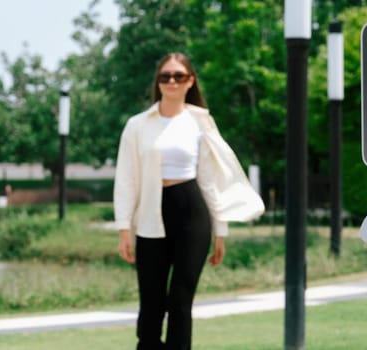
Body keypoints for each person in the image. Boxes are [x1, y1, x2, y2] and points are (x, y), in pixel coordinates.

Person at [113, 52, 264, 350]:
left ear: (189, 81)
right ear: (158, 82)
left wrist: (220, 230)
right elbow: (126, 179)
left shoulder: (199, 122)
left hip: (192, 214)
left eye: (178, 76)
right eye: (165, 76)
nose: (171, 81)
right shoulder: (137, 125)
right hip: (150, 218)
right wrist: (122, 228)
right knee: (152, 302)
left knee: (181, 300)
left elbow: (209, 181)